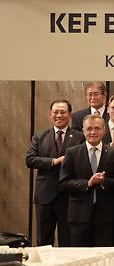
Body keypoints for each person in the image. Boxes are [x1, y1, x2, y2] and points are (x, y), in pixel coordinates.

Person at [26, 99, 84, 246]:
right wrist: (54, 161)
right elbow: (30, 160)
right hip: (45, 196)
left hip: (68, 196)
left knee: (67, 240)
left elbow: (83, 162)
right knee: (43, 241)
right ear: (50, 115)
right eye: (56, 112)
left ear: (70, 115)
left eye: (63, 112)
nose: (59, 115)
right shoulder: (40, 136)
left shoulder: (79, 137)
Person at [59, 114, 114, 246]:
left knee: (103, 260)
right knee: (79, 259)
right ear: (83, 130)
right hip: (78, 216)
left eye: (97, 128)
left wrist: (104, 181)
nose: (93, 132)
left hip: (106, 217)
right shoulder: (72, 152)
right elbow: (63, 183)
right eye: (89, 129)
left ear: (104, 131)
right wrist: (88, 183)